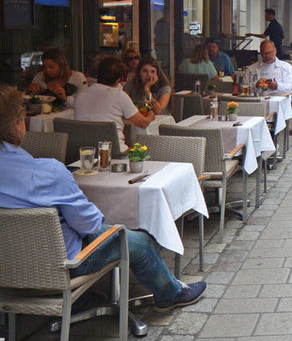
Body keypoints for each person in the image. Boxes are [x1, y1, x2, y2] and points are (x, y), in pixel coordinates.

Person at [0, 86, 205, 310]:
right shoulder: (47, 172)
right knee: (140, 242)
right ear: (18, 125)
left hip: (8, 269)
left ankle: (83, 301)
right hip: (62, 265)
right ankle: (170, 294)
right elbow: (89, 224)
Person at [73, 56, 155, 150]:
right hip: (115, 152)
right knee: (143, 152)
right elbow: (142, 123)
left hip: (86, 153)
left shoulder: (80, 95)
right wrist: (150, 116)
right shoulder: (119, 95)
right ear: (118, 80)